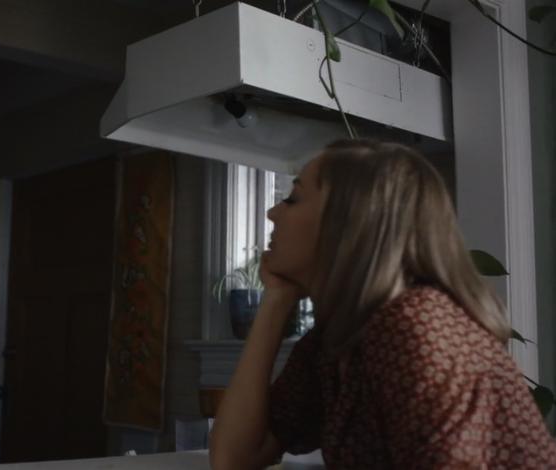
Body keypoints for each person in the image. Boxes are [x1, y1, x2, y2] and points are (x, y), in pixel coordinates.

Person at [209, 140, 556, 469]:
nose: (272, 213)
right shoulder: (334, 342)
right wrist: (277, 301)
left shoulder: (416, 326)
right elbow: (234, 459)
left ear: (348, 222)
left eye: (294, 199)